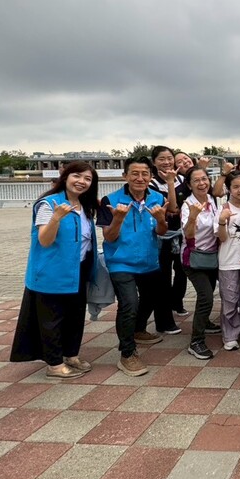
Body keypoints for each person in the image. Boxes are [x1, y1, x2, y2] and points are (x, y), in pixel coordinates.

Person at [11, 161, 100, 379]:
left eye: (88, 179)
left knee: (75, 316)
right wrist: (56, 218)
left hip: (78, 270)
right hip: (52, 273)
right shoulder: (49, 204)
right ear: (65, 176)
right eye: (77, 176)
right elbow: (44, 240)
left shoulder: (84, 205)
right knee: (52, 320)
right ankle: (54, 364)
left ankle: (71, 354)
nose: (81, 182)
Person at [98, 156, 169, 377]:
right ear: (125, 176)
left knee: (151, 298)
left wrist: (161, 219)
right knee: (129, 304)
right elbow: (109, 237)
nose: (140, 178)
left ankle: (138, 330)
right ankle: (127, 353)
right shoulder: (110, 200)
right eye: (135, 173)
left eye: (145, 173)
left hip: (149, 261)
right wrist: (118, 218)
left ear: (151, 176)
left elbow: (161, 232)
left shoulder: (158, 198)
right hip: (121, 262)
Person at [181, 165, 222, 360]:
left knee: (209, 291)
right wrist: (193, 216)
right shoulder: (187, 205)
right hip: (194, 259)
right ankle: (196, 341)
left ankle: (204, 322)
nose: (202, 183)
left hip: (212, 257)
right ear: (189, 185)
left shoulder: (212, 200)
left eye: (204, 179)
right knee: (206, 297)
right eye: (196, 180)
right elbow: (188, 235)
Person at [216, 171, 240, 350]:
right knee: (230, 299)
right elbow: (222, 238)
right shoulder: (224, 208)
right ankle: (230, 335)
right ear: (228, 189)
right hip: (229, 261)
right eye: (236, 187)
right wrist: (222, 221)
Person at [150, 146, 188, 321]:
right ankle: (164, 317)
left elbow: (186, 204)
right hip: (161, 235)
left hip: (181, 232)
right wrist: (171, 183)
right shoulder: (152, 184)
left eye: (169, 158)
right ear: (154, 162)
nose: (166, 162)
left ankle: (177, 302)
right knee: (163, 275)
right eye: (161, 159)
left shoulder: (182, 179)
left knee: (182, 271)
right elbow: (171, 208)